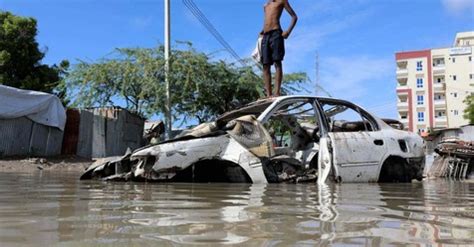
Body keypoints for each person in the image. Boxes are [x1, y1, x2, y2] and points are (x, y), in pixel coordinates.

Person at [260, 0, 297, 97]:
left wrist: (288, 31)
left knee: (277, 62)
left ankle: (277, 93)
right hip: (265, 35)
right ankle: (268, 95)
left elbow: (294, 17)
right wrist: (262, 31)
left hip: (276, 33)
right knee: (265, 65)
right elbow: (267, 20)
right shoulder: (266, 5)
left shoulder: (282, 1)